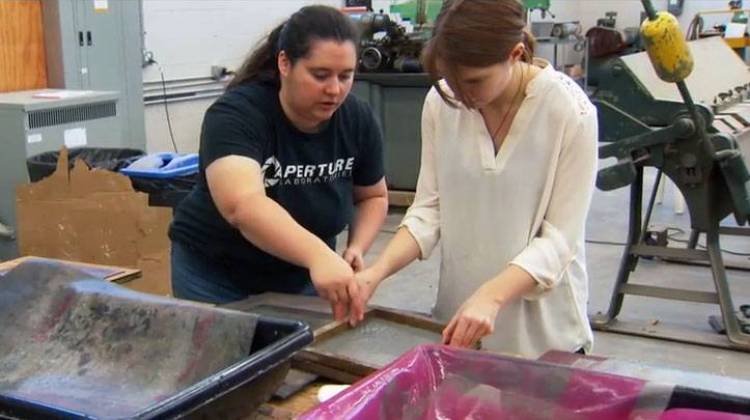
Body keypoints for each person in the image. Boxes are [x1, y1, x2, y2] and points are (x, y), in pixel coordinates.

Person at [353, 0, 598, 358]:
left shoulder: (569, 112)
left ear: (516, 54)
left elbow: (560, 240)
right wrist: (377, 272)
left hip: (543, 335)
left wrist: (492, 295)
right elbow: (428, 211)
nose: (461, 94)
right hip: (461, 325)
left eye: (473, 81)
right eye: (449, 80)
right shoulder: (443, 103)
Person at [169, 5, 387, 323]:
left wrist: (356, 247)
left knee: (302, 364)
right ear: (284, 63)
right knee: (227, 364)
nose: (335, 89)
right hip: (218, 276)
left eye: (346, 75)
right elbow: (243, 205)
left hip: (302, 278)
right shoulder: (237, 115)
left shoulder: (357, 119)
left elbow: (373, 196)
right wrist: (318, 255)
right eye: (320, 75)